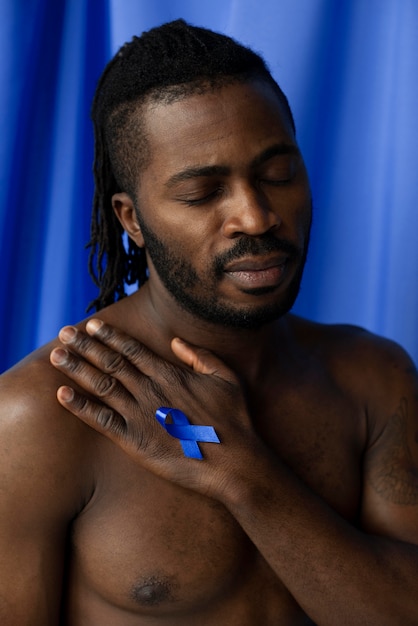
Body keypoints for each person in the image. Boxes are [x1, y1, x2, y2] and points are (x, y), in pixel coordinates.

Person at [0, 19, 417, 625]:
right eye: (202, 193)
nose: (256, 216)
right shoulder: (39, 417)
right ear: (132, 219)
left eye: (278, 175)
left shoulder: (374, 379)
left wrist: (241, 473)